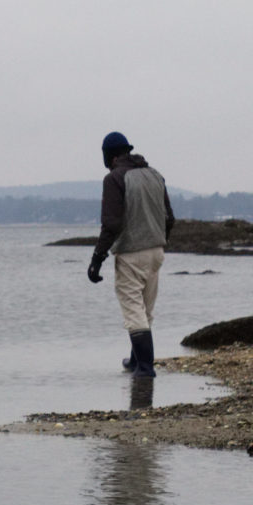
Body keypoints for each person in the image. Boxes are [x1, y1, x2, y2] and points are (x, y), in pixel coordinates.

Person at [86, 131, 175, 377]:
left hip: (131, 253)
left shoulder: (114, 178)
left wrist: (97, 259)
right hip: (157, 251)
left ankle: (145, 368)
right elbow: (170, 218)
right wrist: (161, 241)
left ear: (109, 156)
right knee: (145, 309)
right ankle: (136, 361)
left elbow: (112, 224)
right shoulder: (155, 175)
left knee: (134, 311)